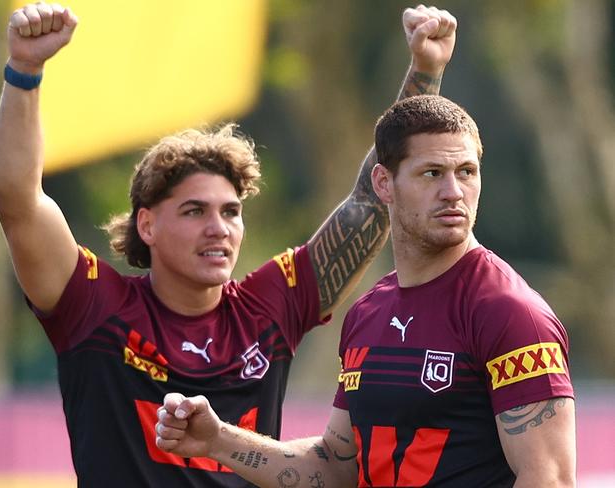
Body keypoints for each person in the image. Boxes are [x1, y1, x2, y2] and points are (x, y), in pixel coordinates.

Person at [0, 2, 458, 487]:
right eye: (195, 211)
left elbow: (370, 202)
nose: (220, 228)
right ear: (146, 226)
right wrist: (24, 71)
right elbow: (17, 201)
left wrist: (425, 70)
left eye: (231, 212)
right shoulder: (94, 307)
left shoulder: (270, 306)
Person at [155, 97, 577, 486]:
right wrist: (218, 441)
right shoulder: (367, 313)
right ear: (383, 183)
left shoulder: (509, 312)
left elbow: (549, 479)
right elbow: (337, 467)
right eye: (432, 173)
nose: (454, 192)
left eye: (466, 172)